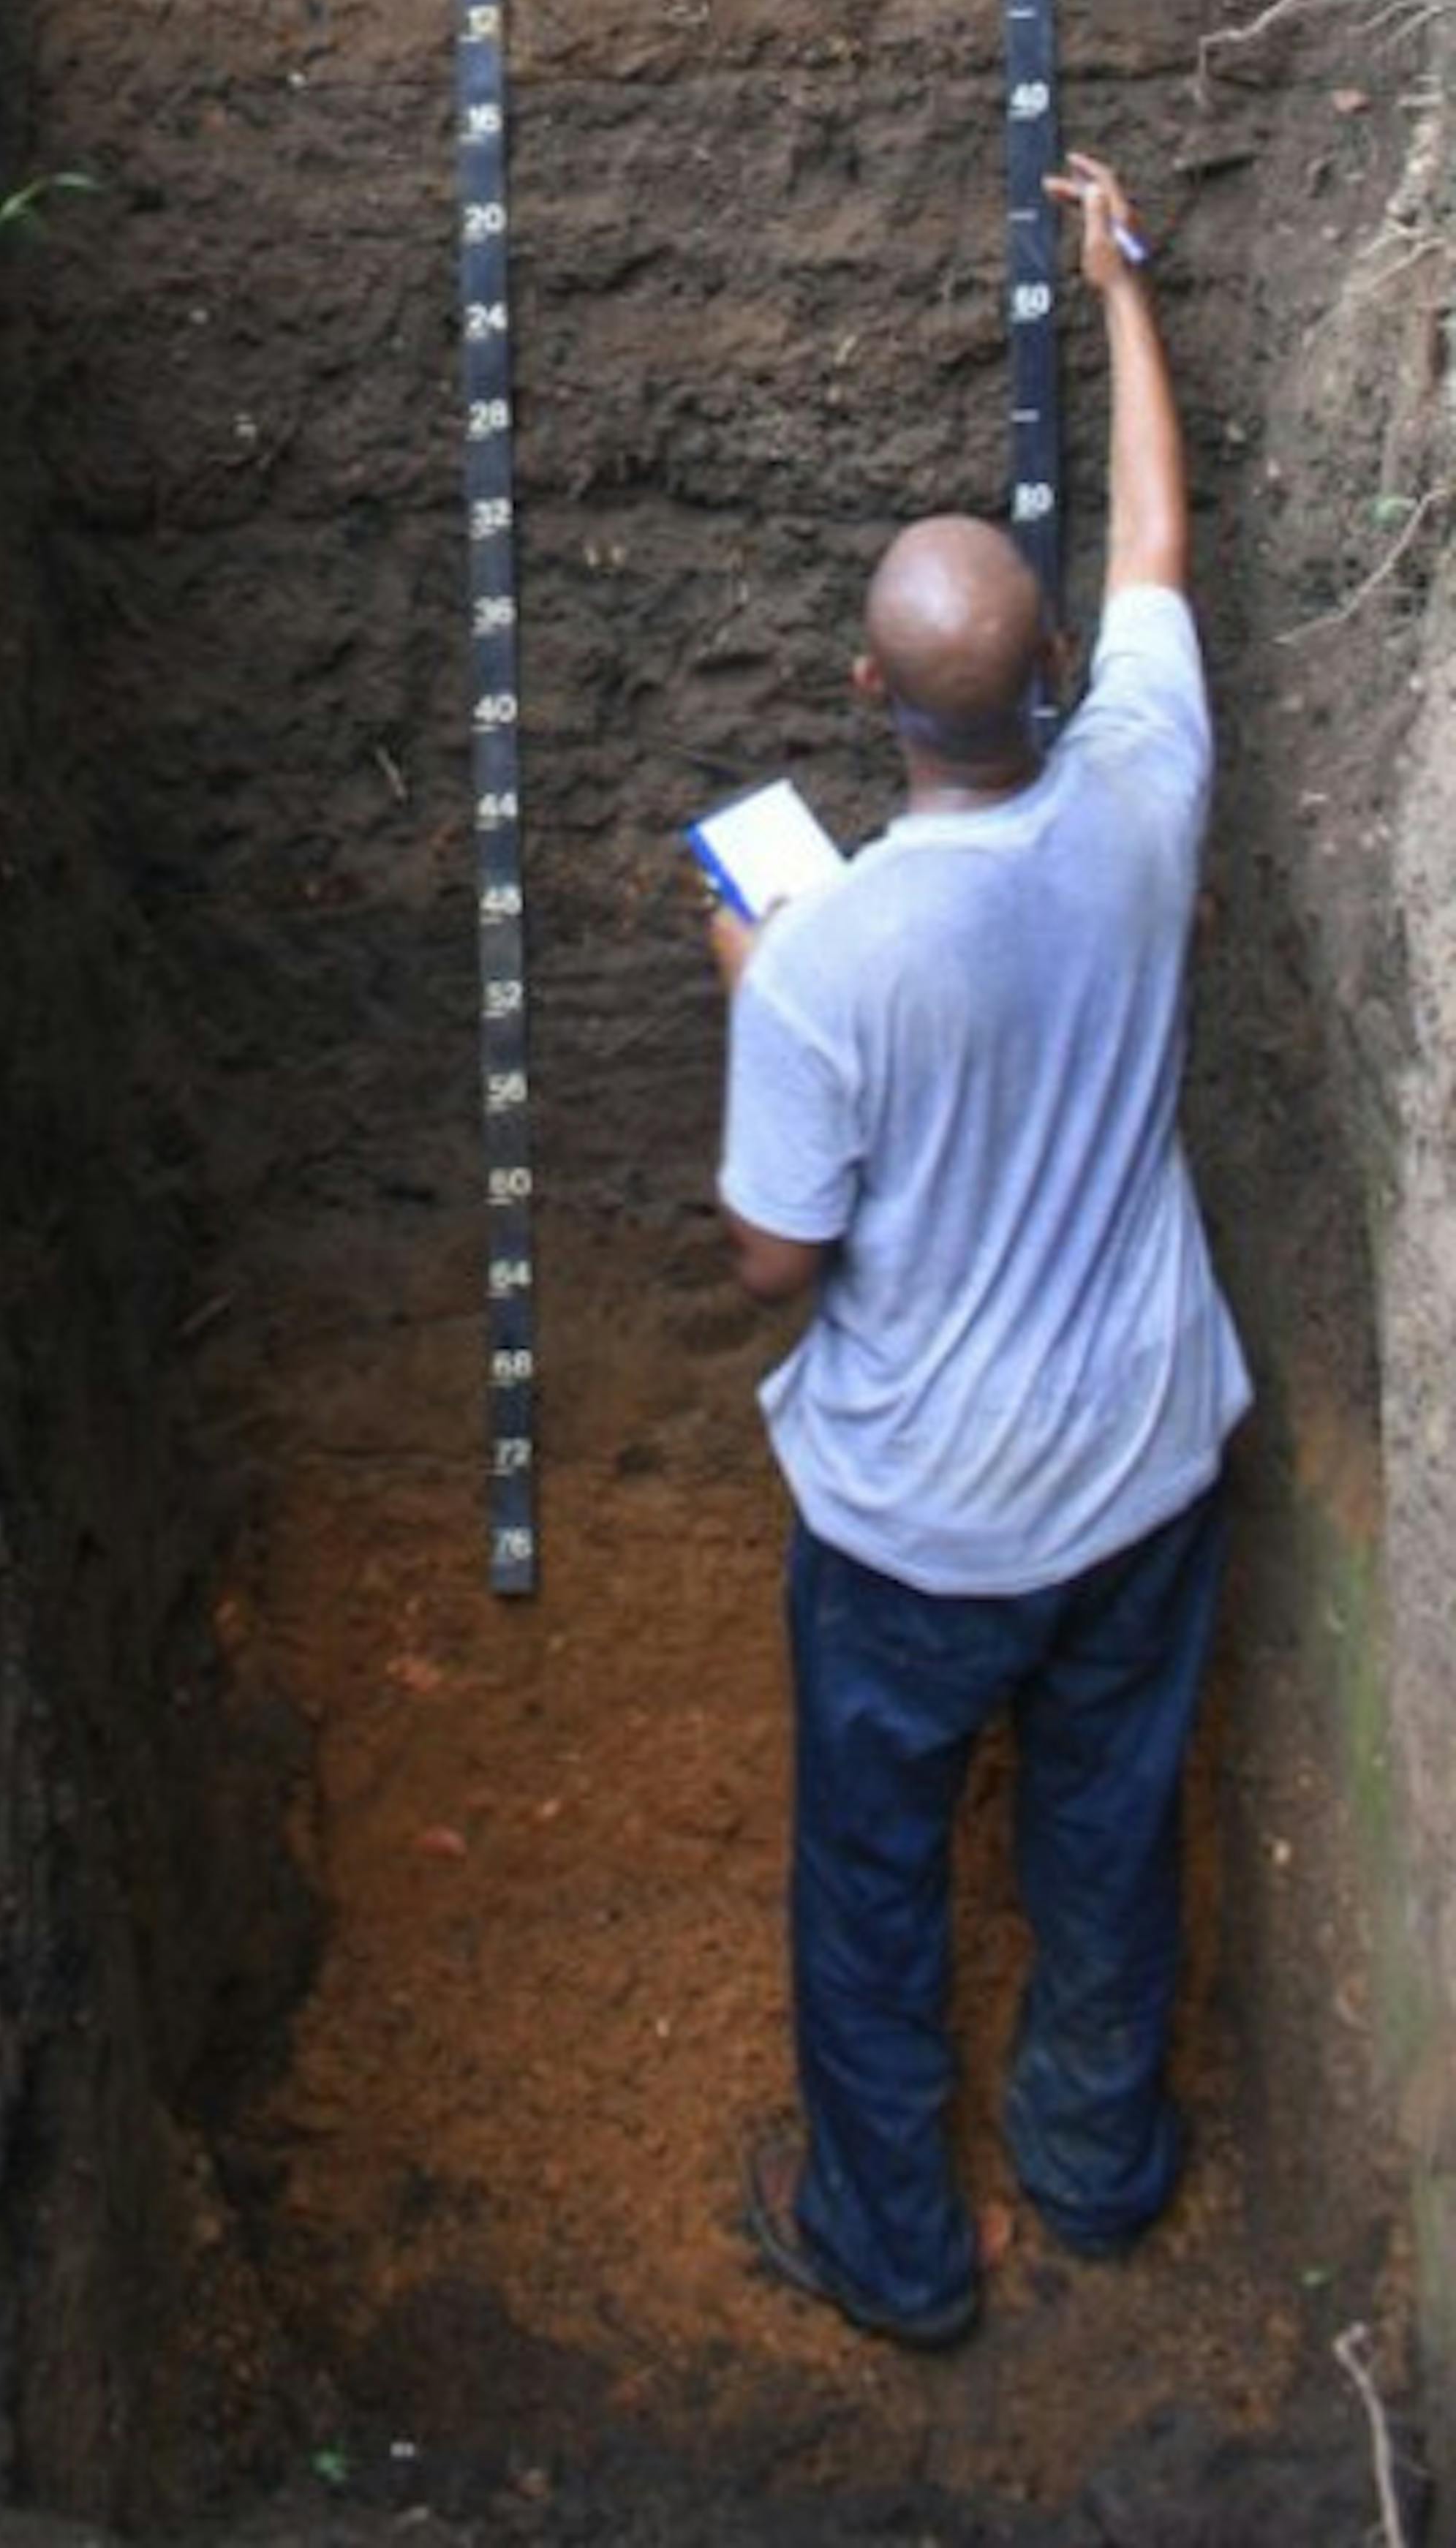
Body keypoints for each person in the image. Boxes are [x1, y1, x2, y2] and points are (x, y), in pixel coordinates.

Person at [711, 146, 1251, 2353]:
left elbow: (772, 1258)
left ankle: (897, 2250)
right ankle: (1102, 2175)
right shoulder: (1144, 784)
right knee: (1111, 1836)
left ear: (868, 692)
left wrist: (752, 988)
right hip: (1140, 1471)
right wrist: (1118, 290)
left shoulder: (831, 959)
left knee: (874, 1893)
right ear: (1044, 674)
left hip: (924, 1528)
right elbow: (1151, 544)